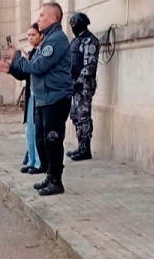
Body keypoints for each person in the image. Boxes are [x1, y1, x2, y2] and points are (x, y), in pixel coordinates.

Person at [0, 3, 71, 196]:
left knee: (53, 140)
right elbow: (33, 66)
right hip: (44, 98)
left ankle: (56, 181)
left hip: (55, 98)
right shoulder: (47, 39)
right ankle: (50, 175)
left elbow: (37, 66)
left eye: (42, 15)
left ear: (53, 18)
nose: (39, 19)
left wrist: (18, 58)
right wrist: (11, 67)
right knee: (44, 140)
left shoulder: (56, 39)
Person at [10, 23, 44, 175]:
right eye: (28, 35)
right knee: (29, 129)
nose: (30, 38)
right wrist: (10, 67)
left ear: (41, 36)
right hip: (31, 95)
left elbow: (32, 68)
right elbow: (23, 74)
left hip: (40, 96)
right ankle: (31, 160)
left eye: (33, 35)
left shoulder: (42, 52)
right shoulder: (33, 52)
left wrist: (19, 57)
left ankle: (39, 162)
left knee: (37, 130)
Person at [66, 12, 99, 162]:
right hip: (74, 84)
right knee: (76, 116)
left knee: (84, 117)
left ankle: (86, 149)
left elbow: (90, 65)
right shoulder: (75, 41)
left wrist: (79, 81)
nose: (73, 28)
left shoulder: (90, 41)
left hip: (84, 85)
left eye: (75, 25)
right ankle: (80, 146)